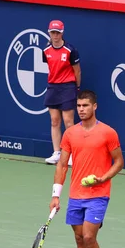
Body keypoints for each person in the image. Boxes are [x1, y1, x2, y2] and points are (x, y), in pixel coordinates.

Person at [49, 89, 124, 248]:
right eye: (79, 106)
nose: (81, 110)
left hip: (98, 195)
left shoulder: (108, 133)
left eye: (85, 106)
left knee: (90, 237)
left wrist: (103, 178)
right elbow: (62, 164)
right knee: (79, 239)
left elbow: (119, 162)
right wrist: (56, 195)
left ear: (94, 107)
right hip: (76, 195)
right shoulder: (70, 133)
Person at [43, 20, 81, 166]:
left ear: (62, 33)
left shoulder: (71, 50)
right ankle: (56, 153)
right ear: (49, 33)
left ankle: (71, 154)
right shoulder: (45, 51)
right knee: (54, 121)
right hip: (53, 87)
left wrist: (76, 88)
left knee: (68, 121)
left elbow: (77, 70)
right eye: (53, 32)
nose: (55, 35)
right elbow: (51, 68)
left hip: (68, 87)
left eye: (58, 33)